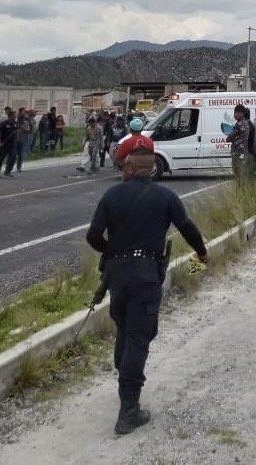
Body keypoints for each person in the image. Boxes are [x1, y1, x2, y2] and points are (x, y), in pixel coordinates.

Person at [86, 146, 208, 435]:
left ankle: (124, 376)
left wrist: (113, 252)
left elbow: (93, 236)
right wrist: (202, 254)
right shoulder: (166, 197)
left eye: (124, 166)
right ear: (152, 169)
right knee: (139, 336)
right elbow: (187, 228)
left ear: (130, 168)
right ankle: (128, 410)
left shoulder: (111, 195)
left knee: (125, 328)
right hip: (145, 275)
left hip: (116, 275)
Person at [225, 104, 250, 179]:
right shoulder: (246, 123)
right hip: (244, 152)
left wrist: (229, 138)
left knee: (238, 175)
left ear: (242, 113)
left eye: (237, 112)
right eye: (234, 112)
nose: (235, 115)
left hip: (237, 153)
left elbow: (229, 138)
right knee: (243, 174)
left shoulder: (238, 124)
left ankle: (240, 189)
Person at [0, 110, 18, 178]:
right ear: (11, 116)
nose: (15, 116)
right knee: (0, 158)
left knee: (13, 157)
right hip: (4, 144)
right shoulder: (4, 123)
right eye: (14, 115)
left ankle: (8, 171)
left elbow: (16, 131)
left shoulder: (15, 123)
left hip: (12, 144)